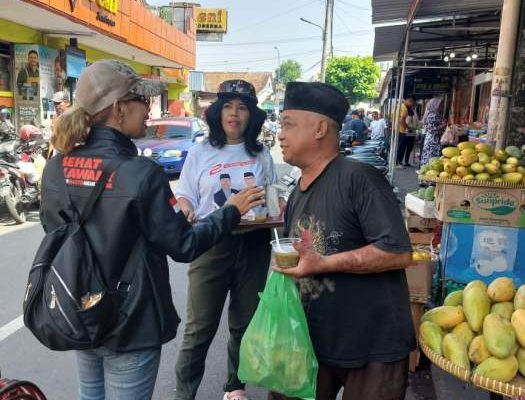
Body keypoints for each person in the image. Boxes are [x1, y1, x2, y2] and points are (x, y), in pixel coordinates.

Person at [39, 60, 265, 400]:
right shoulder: (141, 173)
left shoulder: (57, 166)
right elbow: (184, 245)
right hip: (130, 321)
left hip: (79, 308)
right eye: (142, 101)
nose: (149, 109)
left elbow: (56, 230)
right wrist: (231, 211)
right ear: (118, 108)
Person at [272, 82, 415, 400]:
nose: (280, 134)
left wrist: (325, 263)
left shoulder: (359, 178)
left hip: (372, 344)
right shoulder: (297, 192)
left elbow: (398, 251)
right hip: (313, 339)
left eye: (288, 124)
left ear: (320, 128)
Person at [174, 79, 277, 400]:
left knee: (244, 324)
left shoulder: (261, 155)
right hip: (211, 243)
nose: (234, 114)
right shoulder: (201, 151)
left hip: (254, 245)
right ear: (218, 111)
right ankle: (184, 394)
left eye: (243, 107)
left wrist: (277, 209)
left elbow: (272, 200)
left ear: (252, 116)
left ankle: (235, 386)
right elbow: (185, 195)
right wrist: (187, 207)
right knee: (198, 329)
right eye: (228, 106)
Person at [420, 97, 447, 166]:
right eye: (440, 105)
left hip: (433, 139)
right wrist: (443, 125)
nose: (442, 106)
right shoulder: (432, 115)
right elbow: (431, 129)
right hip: (433, 140)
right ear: (435, 105)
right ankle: (429, 172)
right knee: (432, 157)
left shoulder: (435, 114)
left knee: (432, 157)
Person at [396, 95, 417, 167]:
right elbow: (402, 120)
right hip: (403, 131)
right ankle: (398, 162)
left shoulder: (404, 107)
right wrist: (407, 128)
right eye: (413, 103)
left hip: (403, 130)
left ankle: (401, 162)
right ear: (409, 100)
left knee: (405, 147)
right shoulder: (404, 108)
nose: (413, 105)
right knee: (401, 147)